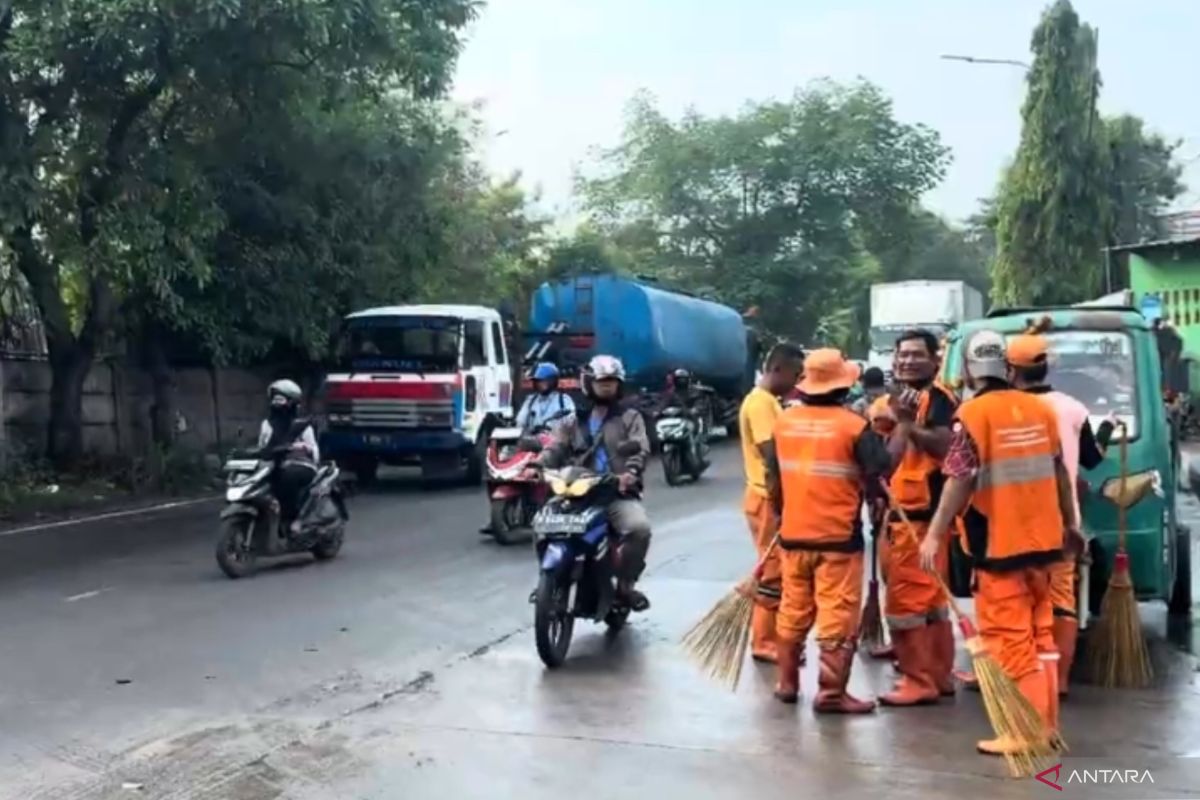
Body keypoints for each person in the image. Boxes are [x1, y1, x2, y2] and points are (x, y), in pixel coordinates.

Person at [919, 330, 1080, 755]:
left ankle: (1024, 734)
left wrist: (935, 532)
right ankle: (1045, 728)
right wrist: (1071, 524)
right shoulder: (1039, 409)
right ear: (1006, 367)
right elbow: (1060, 472)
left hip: (999, 549)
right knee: (1040, 639)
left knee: (1011, 643)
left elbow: (960, 477)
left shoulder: (973, 415)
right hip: (1046, 546)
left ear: (971, 370)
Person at [765, 348, 891, 714]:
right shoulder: (854, 426)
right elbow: (879, 470)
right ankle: (831, 694)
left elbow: (774, 479)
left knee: (793, 610)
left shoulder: (783, 423)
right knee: (837, 615)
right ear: (842, 385)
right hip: (837, 541)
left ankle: (787, 684)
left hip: (793, 535)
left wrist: (780, 515)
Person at [1007, 333, 1115, 699]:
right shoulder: (1071, 407)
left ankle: (1020, 677)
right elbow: (1092, 459)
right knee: (1060, 600)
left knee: (1013, 600)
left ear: (1010, 370)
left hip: (1008, 520)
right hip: (1059, 519)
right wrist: (1106, 431)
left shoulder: (996, 408)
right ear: (1046, 366)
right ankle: (1059, 680)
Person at [878, 329, 959, 706]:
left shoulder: (939, 399)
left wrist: (909, 424)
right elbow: (889, 460)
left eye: (916, 354)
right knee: (930, 604)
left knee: (907, 606)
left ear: (935, 360)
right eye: (902, 355)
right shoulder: (896, 400)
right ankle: (938, 675)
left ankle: (918, 680)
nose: (907, 361)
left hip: (921, 519)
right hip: (904, 515)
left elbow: (946, 448)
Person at [536, 355, 653, 611]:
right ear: (589, 383)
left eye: (612, 381)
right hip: (576, 490)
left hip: (615, 491)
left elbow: (640, 449)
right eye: (602, 381)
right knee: (543, 523)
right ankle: (548, 578)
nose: (607, 386)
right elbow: (555, 447)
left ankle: (625, 585)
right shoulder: (572, 419)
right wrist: (538, 464)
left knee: (639, 528)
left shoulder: (630, 417)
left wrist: (630, 472)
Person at [738, 342, 806, 664]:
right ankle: (764, 642)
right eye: (795, 374)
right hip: (766, 498)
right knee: (772, 572)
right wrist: (783, 499)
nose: (797, 382)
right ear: (777, 369)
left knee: (777, 568)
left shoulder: (769, 401)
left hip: (768, 496)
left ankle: (774, 637)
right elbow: (770, 454)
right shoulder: (761, 404)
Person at [258, 379, 319, 536]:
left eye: (281, 399)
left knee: (287, 478)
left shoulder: (301, 424)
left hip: (302, 465)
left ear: (291, 402)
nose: (277, 403)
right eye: (275, 399)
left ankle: (293, 519)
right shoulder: (266, 424)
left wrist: (303, 448)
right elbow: (262, 448)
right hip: (274, 465)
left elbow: (314, 451)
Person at [515, 362, 575, 433]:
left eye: (542, 381)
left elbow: (571, 422)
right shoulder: (531, 400)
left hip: (556, 440)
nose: (539, 384)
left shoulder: (564, 400)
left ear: (552, 381)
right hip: (533, 440)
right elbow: (520, 421)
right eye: (536, 381)